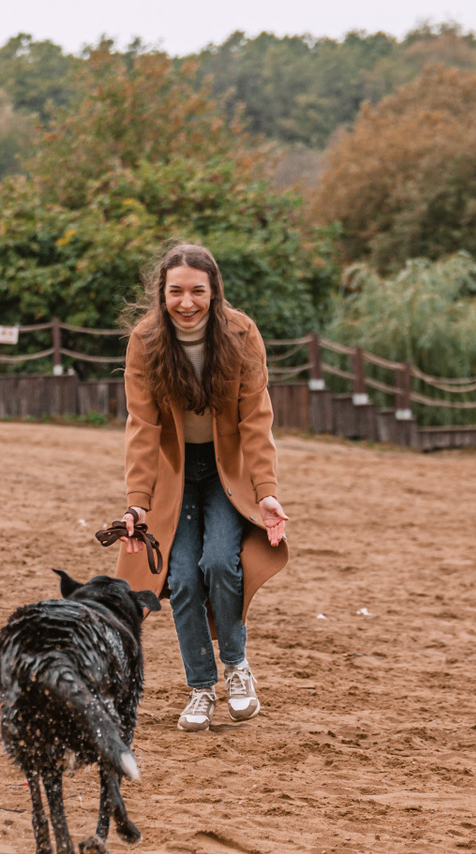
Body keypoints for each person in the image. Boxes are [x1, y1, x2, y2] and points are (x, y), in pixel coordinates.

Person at [114, 242, 290, 731]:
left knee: (219, 562)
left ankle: (236, 667)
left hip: (225, 472)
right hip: (173, 475)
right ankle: (200, 688)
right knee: (183, 578)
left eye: (197, 291)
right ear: (162, 293)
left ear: (214, 292)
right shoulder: (145, 340)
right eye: (176, 291)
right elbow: (142, 427)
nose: (186, 302)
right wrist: (137, 503)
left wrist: (266, 490)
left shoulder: (241, 334)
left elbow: (256, 418)